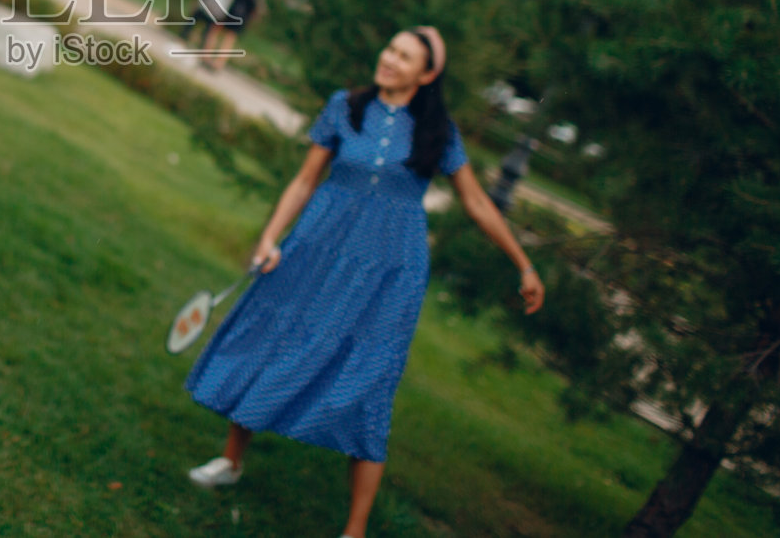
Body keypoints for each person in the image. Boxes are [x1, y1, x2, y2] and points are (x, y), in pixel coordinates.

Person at [182, 27, 544, 538]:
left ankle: (354, 531)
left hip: (389, 272)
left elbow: (477, 202)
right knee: (272, 340)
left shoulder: (438, 132)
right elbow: (305, 180)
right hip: (317, 248)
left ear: (427, 75)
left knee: (370, 381)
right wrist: (269, 237)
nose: (389, 59)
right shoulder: (344, 107)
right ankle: (231, 461)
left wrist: (523, 264)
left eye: (405, 56)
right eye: (390, 49)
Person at [203, 0, 262, 71]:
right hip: (239, 18)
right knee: (228, 40)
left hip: (228, 12)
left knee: (216, 33)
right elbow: (253, 9)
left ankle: (207, 55)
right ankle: (218, 63)